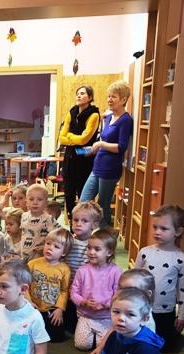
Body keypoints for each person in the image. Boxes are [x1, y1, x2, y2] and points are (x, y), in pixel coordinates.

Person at [135, 204, 184, 352]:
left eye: (164, 229)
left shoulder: (182, 259)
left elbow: (183, 289)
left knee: (165, 347)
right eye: (155, 227)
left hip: (166, 312)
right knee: (139, 341)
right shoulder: (144, 252)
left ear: (178, 231)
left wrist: (182, 315)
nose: (157, 232)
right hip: (143, 307)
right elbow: (133, 279)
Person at [81, 80, 133, 227]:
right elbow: (105, 139)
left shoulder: (126, 120)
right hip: (98, 166)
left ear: (123, 100)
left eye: (114, 97)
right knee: (84, 201)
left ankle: (105, 236)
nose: (109, 99)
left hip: (110, 169)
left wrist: (101, 144)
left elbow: (121, 147)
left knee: (103, 205)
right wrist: (93, 148)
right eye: (109, 96)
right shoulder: (109, 117)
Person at [87, 268, 156, 354]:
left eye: (132, 290)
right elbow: (113, 328)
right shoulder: (123, 307)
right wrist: (100, 347)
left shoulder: (146, 320)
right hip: (120, 345)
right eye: (122, 289)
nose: (125, 294)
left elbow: (145, 351)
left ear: (148, 294)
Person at [70, 227, 121, 350]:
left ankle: (99, 337)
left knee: (104, 347)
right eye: (89, 248)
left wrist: (105, 305)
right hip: (85, 315)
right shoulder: (82, 270)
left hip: (106, 317)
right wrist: (83, 302)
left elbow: (119, 295)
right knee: (82, 345)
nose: (91, 252)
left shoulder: (115, 271)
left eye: (97, 249)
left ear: (109, 252)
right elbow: (74, 292)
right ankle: (91, 335)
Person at [59, 85, 101, 218]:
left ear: (90, 97)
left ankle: (85, 223)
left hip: (84, 160)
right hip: (69, 159)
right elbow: (61, 138)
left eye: (82, 93)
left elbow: (84, 140)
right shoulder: (71, 112)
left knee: (84, 197)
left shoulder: (94, 114)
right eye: (77, 93)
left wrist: (70, 136)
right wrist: (75, 138)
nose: (79, 95)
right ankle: (72, 223)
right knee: (68, 195)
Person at [28, 228, 72, 343]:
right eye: (48, 243)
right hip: (32, 307)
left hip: (52, 310)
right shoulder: (32, 264)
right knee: (30, 333)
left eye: (56, 247)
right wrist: (28, 302)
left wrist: (60, 309)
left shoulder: (64, 269)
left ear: (64, 252)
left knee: (56, 337)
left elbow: (64, 290)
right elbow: (24, 285)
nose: (50, 248)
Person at [65, 201, 102, 333]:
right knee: (69, 321)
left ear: (94, 225)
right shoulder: (68, 241)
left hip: (85, 287)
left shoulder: (95, 245)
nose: (78, 224)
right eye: (75, 220)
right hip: (68, 285)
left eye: (84, 221)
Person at [20, 183, 58, 260]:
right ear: (26, 202)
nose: (35, 202)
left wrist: (46, 246)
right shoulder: (24, 216)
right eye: (31, 199)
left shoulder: (49, 219)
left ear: (46, 203)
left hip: (39, 258)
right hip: (24, 256)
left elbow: (59, 236)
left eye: (39, 199)